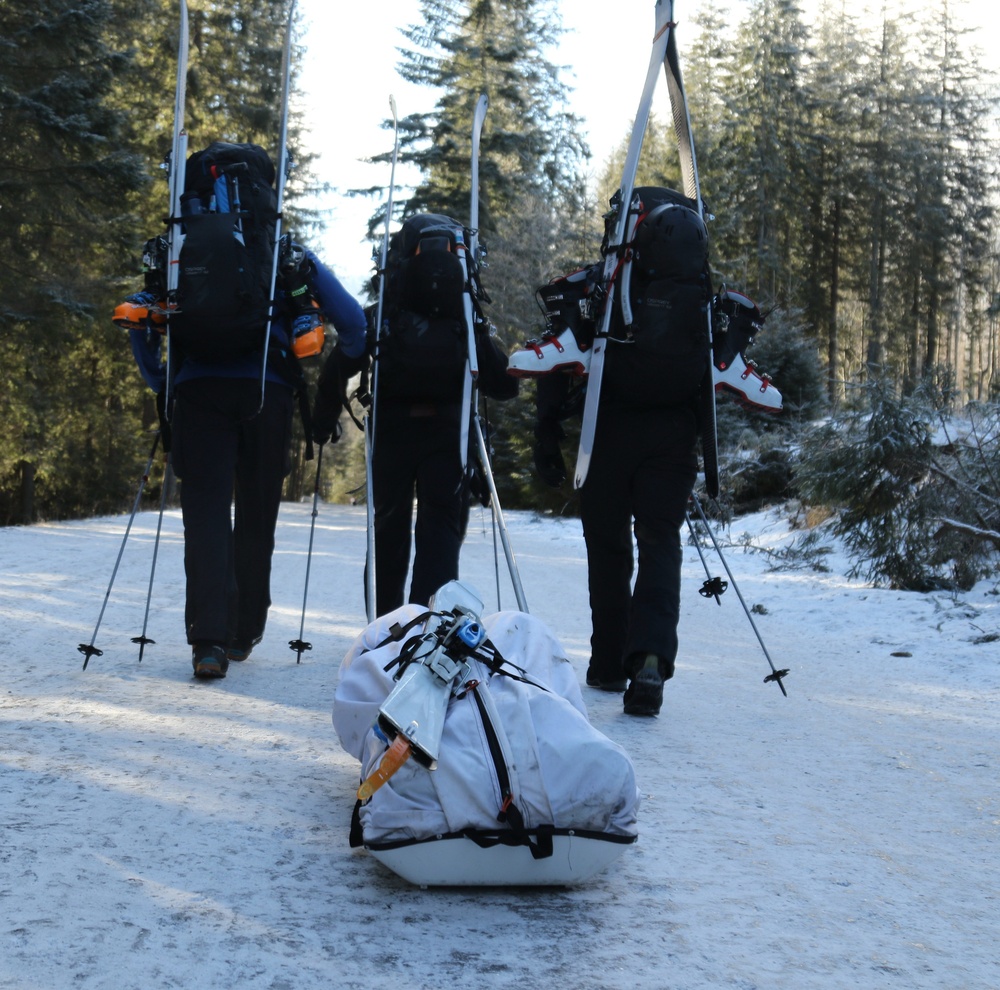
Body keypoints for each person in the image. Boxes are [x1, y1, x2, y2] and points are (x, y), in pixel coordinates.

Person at [122, 235, 367, 680]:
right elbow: (353, 324)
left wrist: (162, 379)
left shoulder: (182, 246)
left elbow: (147, 335)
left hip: (197, 389)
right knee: (256, 515)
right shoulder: (281, 247)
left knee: (206, 517)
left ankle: (208, 643)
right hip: (266, 390)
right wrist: (331, 377)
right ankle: (242, 632)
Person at [526, 198, 717, 717]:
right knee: (660, 544)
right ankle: (650, 659)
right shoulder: (701, 291)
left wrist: (547, 430)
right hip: (675, 436)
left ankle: (609, 662)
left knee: (607, 548)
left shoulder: (600, 283)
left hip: (606, 431)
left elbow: (561, 353)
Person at [311, 264, 518, 618]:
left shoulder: (383, 313)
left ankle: (385, 626)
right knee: (441, 529)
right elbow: (504, 384)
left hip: (393, 432)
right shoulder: (464, 314)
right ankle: (427, 625)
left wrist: (322, 421)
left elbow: (341, 363)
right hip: (449, 434)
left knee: (388, 528)